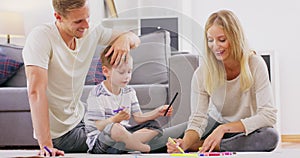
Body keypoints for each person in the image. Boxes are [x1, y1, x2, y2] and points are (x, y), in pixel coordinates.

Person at [22, 0, 140, 156]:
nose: (86, 25)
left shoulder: (90, 31)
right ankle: (179, 139)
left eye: (88, 18)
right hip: (62, 135)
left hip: (82, 117)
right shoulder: (41, 38)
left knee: (137, 129)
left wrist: (124, 39)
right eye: (78, 21)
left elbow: (135, 38)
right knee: (127, 139)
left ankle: (180, 137)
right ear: (58, 17)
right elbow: (36, 92)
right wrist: (46, 145)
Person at [167, 9, 279, 153]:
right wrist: (184, 144)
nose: (215, 46)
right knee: (159, 139)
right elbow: (198, 119)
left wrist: (224, 129)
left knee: (270, 137)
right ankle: (201, 144)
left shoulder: (255, 64)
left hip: (244, 129)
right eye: (210, 40)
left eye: (222, 40)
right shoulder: (202, 73)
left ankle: (209, 145)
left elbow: (268, 115)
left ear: (235, 38)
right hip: (212, 126)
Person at [84, 45, 173, 154]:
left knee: (154, 125)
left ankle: (126, 144)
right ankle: (143, 148)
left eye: (129, 72)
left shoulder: (129, 92)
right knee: (115, 128)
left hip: (123, 133)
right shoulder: (97, 94)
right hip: (101, 139)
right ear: (106, 71)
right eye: (121, 72)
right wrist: (115, 119)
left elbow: (138, 117)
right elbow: (97, 126)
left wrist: (157, 112)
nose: (126, 77)